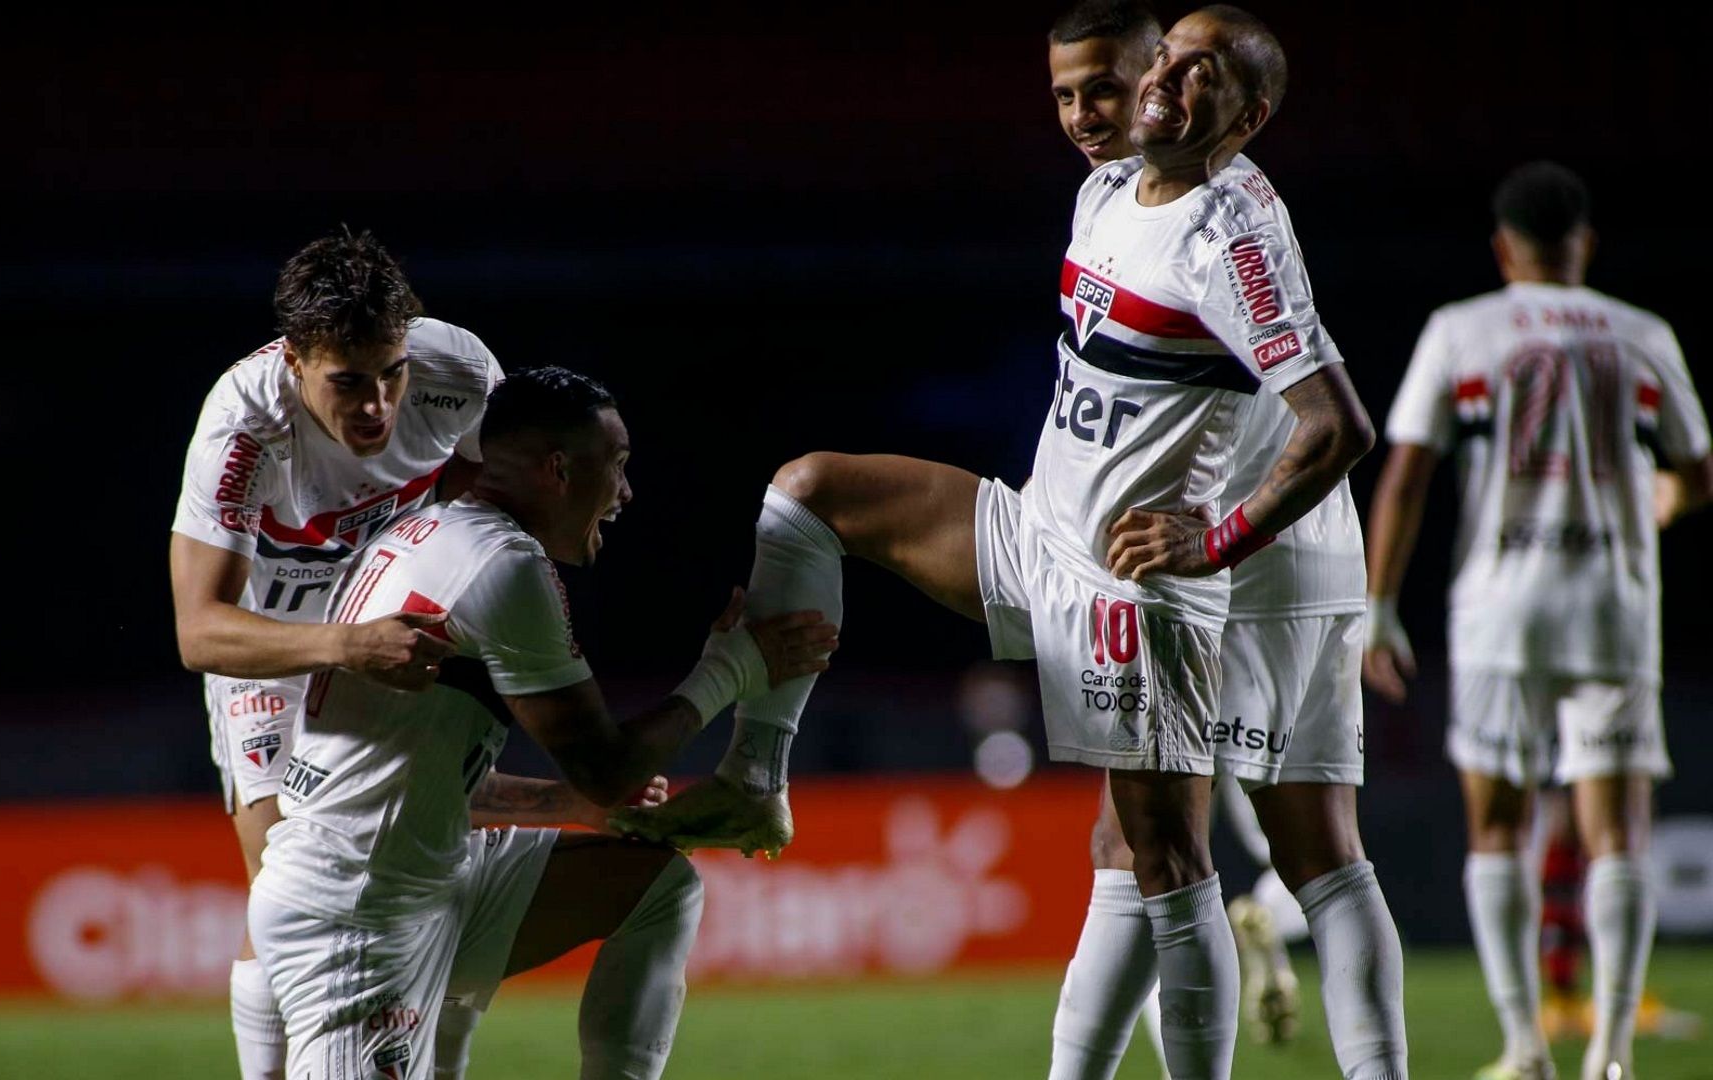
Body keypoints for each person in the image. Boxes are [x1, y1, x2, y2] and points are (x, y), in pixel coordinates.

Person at [625, 7, 1380, 1077]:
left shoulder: (1232, 235)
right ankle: (757, 775)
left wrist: (1213, 544)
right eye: (1150, 68)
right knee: (807, 494)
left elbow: (1334, 425)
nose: (1111, 105)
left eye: (1138, 84)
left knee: (1168, 859)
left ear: (1240, 115)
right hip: (1040, 535)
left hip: (1131, 591)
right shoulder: (1108, 190)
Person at [248, 366, 839, 1079]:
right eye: (616, 468)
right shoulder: (504, 564)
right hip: (357, 915)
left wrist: (565, 806)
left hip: (419, 878)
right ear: (559, 470)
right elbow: (609, 767)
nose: (626, 493)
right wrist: (732, 668)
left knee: (655, 888)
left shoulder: (426, 533)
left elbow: (418, 771)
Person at [1364, 160, 1713, 1080]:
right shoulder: (1643, 334)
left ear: (1503, 249)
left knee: (1498, 827)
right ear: (1585, 246)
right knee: (1619, 832)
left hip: (1499, 610)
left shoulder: (1461, 330)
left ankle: (1524, 1044)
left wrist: (1380, 604)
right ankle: (1610, 1050)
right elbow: (1698, 470)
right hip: (1614, 604)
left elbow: (1405, 473)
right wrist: (1653, 507)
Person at [170, 229, 496, 1077]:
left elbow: (508, 488)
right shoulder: (243, 427)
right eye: (347, 382)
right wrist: (347, 645)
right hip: (273, 650)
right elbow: (200, 631)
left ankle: (437, 1056)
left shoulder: (461, 375)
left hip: (392, 636)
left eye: (391, 373)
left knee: (423, 865)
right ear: (294, 361)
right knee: (288, 880)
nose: (377, 406)